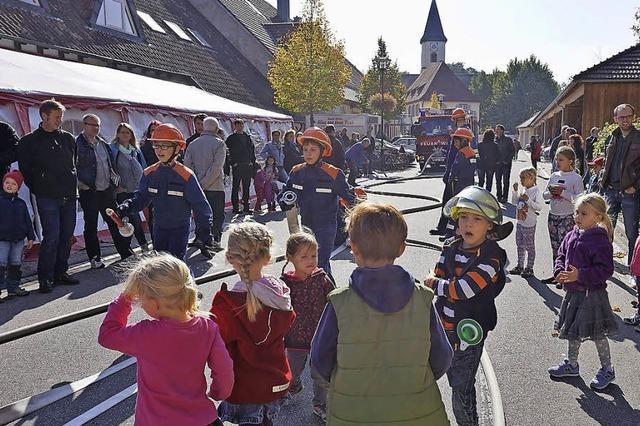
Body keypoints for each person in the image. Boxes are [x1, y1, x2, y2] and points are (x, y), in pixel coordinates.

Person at [311, 202, 452, 425]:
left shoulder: (339, 303)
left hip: (354, 413)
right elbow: (442, 357)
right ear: (401, 249)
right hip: (417, 412)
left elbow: (319, 362)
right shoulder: (422, 299)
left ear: (353, 247)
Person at [98, 253, 234, 426]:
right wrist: (218, 392)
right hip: (201, 418)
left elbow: (107, 335)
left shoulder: (146, 333)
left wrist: (125, 299)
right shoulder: (207, 327)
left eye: (141, 300)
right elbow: (224, 370)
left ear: (155, 304)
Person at [424, 186, 509, 426]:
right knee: (434, 377)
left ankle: (468, 423)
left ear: (490, 225)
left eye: (476, 219)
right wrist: (434, 281)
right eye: (463, 217)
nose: (467, 224)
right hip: (443, 329)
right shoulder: (451, 247)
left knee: (461, 387)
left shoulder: (491, 258)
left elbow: (463, 289)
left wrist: (434, 283)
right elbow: (437, 273)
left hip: (466, 337)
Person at [210, 223, 295, 426]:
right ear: (267, 257)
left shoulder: (227, 304)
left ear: (230, 258)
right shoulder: (280, 292)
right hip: (274, 378)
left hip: (245, 384)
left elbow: (216, 341)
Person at [548, 193, 617, 390]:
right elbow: (561, 254)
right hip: (573, 293)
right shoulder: (572, 234)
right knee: (572, 331)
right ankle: (571, 364)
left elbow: (605, 270)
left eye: (584, 213)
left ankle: (607, 369)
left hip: (592, 295)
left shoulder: (601, 241)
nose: (577, 217)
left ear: (598, 217)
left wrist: (581, 275)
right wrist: (559, 271)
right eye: (577, 212)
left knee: (597, 334)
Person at [117, 123, 213, 261]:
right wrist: (128, 206)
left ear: (177, 148)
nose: (159, 150)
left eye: (165, 146)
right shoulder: (149, 173)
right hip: (159, 229)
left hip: (179, 230)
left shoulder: (186, 176)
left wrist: (204, 230)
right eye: (156, 145)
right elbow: (141, 198)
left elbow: (201, 206)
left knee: (177, 266)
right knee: (161, 266)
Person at [18, 99, 79, 293]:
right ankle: (45, 277)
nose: (60, 120)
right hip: (47, 197)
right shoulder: (29, 141)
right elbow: (25, 169)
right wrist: (40, 187)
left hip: (69, 195)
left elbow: (73, 162)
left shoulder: (68, 138)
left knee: (66, 235)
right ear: (44, 116)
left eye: (61, 116)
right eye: (57, 117)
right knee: (51, 236)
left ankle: (61, 271)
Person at [278, 127, 356, 278]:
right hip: (305, 225)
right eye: (305, 149)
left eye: (313, 149)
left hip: (326, 227)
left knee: (319, 263)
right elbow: (285, 194)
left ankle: (325, 297)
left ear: (323, 151)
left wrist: (359, 217)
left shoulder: (333, 174)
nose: (308, 153)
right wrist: (284, 201)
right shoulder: (296, 172)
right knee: (314, 265)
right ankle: (327, 292)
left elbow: (351, 198)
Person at [280, 231, 334, 422]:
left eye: (314, 255)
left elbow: (334, 301)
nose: (310, 260)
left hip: (320, 336)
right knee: (292, 371)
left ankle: (320, 403)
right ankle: (294, 386)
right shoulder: (286, 283)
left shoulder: (322, 278)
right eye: (303, 257)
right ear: (290, 258)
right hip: (295, 337)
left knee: (320, 374)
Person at [77, 114, 134, 268]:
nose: (96, 128)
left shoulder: (102, 143)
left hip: (106, 189)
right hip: (89, 191)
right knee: (91, 225)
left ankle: (125, 252)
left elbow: (111, 165)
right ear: (85, 125)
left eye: (98, 125)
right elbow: (73, 166)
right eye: (92, 125)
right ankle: (95, 258)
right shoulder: (78, 143)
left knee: (116, 221)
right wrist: (80, 184)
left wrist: (114, 184)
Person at [600, 104, 640, 268]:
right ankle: (605, 262)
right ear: (615, 119)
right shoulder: (612, 136)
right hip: (610, 190)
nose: (626, 120)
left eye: (629, 116)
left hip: (629, 192)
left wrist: (636, 187)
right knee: (606, 229)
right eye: (622, 117)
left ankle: (633, 268)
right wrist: (601, 178)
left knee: (631, 233)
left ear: (633, 117)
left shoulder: (638, 137)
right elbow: (606, 160)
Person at [541, 146, 584, 286]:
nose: (557, 162)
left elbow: (579, 200)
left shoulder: (576, 178)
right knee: (555, 247)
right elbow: (544, 195)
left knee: (566, 248)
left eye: (561, 159)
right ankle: (556, 274)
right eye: (556, 159)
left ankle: (566, 277)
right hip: (553, 215)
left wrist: (562, 193)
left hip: (567, 217)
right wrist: (552, 192)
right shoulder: (554, 176)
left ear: (570, 161)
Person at [183, 117, 226, 248]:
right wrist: (205, 183)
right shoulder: (219, 144)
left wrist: (197, 183)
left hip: (196, 186)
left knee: (200, 214)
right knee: (217, 214)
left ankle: (200, 237)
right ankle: (215, 239)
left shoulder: (192, 144)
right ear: (216, 128)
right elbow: (217, 167)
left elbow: (187, 166)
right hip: (215, 186)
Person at [110, 123, 149, 252]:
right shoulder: (113, 150)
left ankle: (138, 246)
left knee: (133, 218)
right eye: (122, 132)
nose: (125, 135)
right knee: (130, 219)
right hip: (122, 191)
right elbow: (110, 170)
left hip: (136, 189)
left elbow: (143, 168)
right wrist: (116, 186)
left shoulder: (135, 151)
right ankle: (136, 246)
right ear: (117, 134)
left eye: (127, 132)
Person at [430, 108, 468, 236]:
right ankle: (442, 228)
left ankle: (451, 231)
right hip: (452, 170)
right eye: (456, 120)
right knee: (446, 201)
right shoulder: (456, 133)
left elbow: (464, 156)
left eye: (457, 120)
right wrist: (447, 172)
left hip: (458, 175)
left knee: (454, 204)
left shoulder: (465, 133)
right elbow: (452, 154)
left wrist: (454, 174)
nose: (456, 122)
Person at [0, 170, 34, 299]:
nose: (9, 185)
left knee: (15, 263)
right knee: (0, 263)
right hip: (2, 239)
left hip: (18, 239)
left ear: (18, 187)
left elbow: (27, 221)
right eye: (7, 182)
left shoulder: (21, 203)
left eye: (13, 184)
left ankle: (13, 287)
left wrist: (31, 237)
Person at [509, 167, 543, 278]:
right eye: (520, 178)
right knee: (519, 244)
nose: (521, 180)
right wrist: (515, 191)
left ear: (532, 178)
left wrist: (528, 200)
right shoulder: (523, 189)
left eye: (523, 178)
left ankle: (530, 267)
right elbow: (515, 202)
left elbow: (539, 207)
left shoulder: (536, 191)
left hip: (529, 223)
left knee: (530, 246)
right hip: (520, 221)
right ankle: (520, 265)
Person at [225, 119, 256, 214]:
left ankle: (246, 206)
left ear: (243, 126)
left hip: (247, 164)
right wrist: (232, 163)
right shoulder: (231, 138)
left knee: (246, 186)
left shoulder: (247, 137)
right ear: (235, 127)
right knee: (236, 187)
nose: (239, 127)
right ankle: (235, 207)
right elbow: (226, 151)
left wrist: (252, 161)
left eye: (241, 125)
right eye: (237, 126)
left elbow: (252, 149)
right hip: (237, 165)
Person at [494, 124, 515, 203]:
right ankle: (499, 196)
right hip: (497, 164)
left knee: (505, 181)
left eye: (498, 129)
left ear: (502, 131)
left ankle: (505, 197)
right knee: (498, 181)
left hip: (506, 164)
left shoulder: (508, 140)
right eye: (496, 129)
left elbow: (513, 151)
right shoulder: (495, 141)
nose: (496, 131)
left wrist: (507, 160)